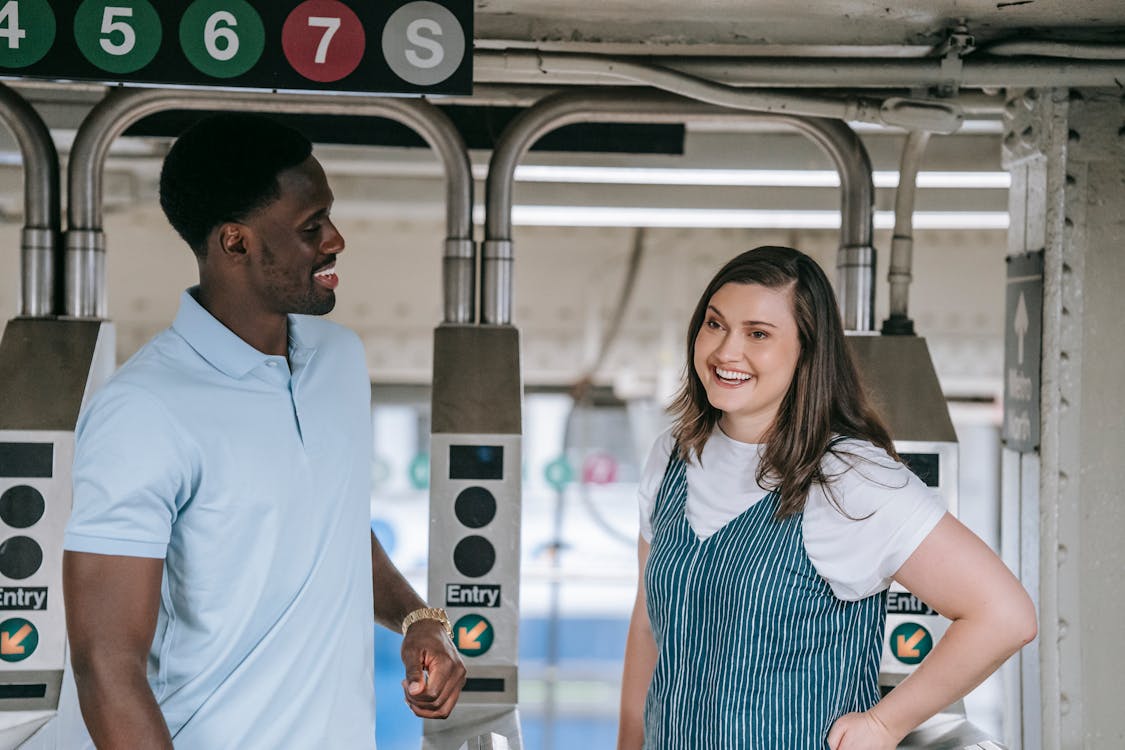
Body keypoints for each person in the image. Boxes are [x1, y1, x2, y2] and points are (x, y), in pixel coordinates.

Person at [57, 113, 465, 749]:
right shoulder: (144, 409)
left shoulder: (340, 361)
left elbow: (329, 528)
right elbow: (105, 667)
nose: (337, 240)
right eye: (311, 227)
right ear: (235, 243)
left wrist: (418, 619)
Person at [616, 246, 1036, 749]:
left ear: (807, 352)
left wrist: (884, 724)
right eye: (715, 324)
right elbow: (647, 624)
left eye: (758, 334)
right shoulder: (673, 455)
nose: (726, 351)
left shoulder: (848, 477)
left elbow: (1004, 615)